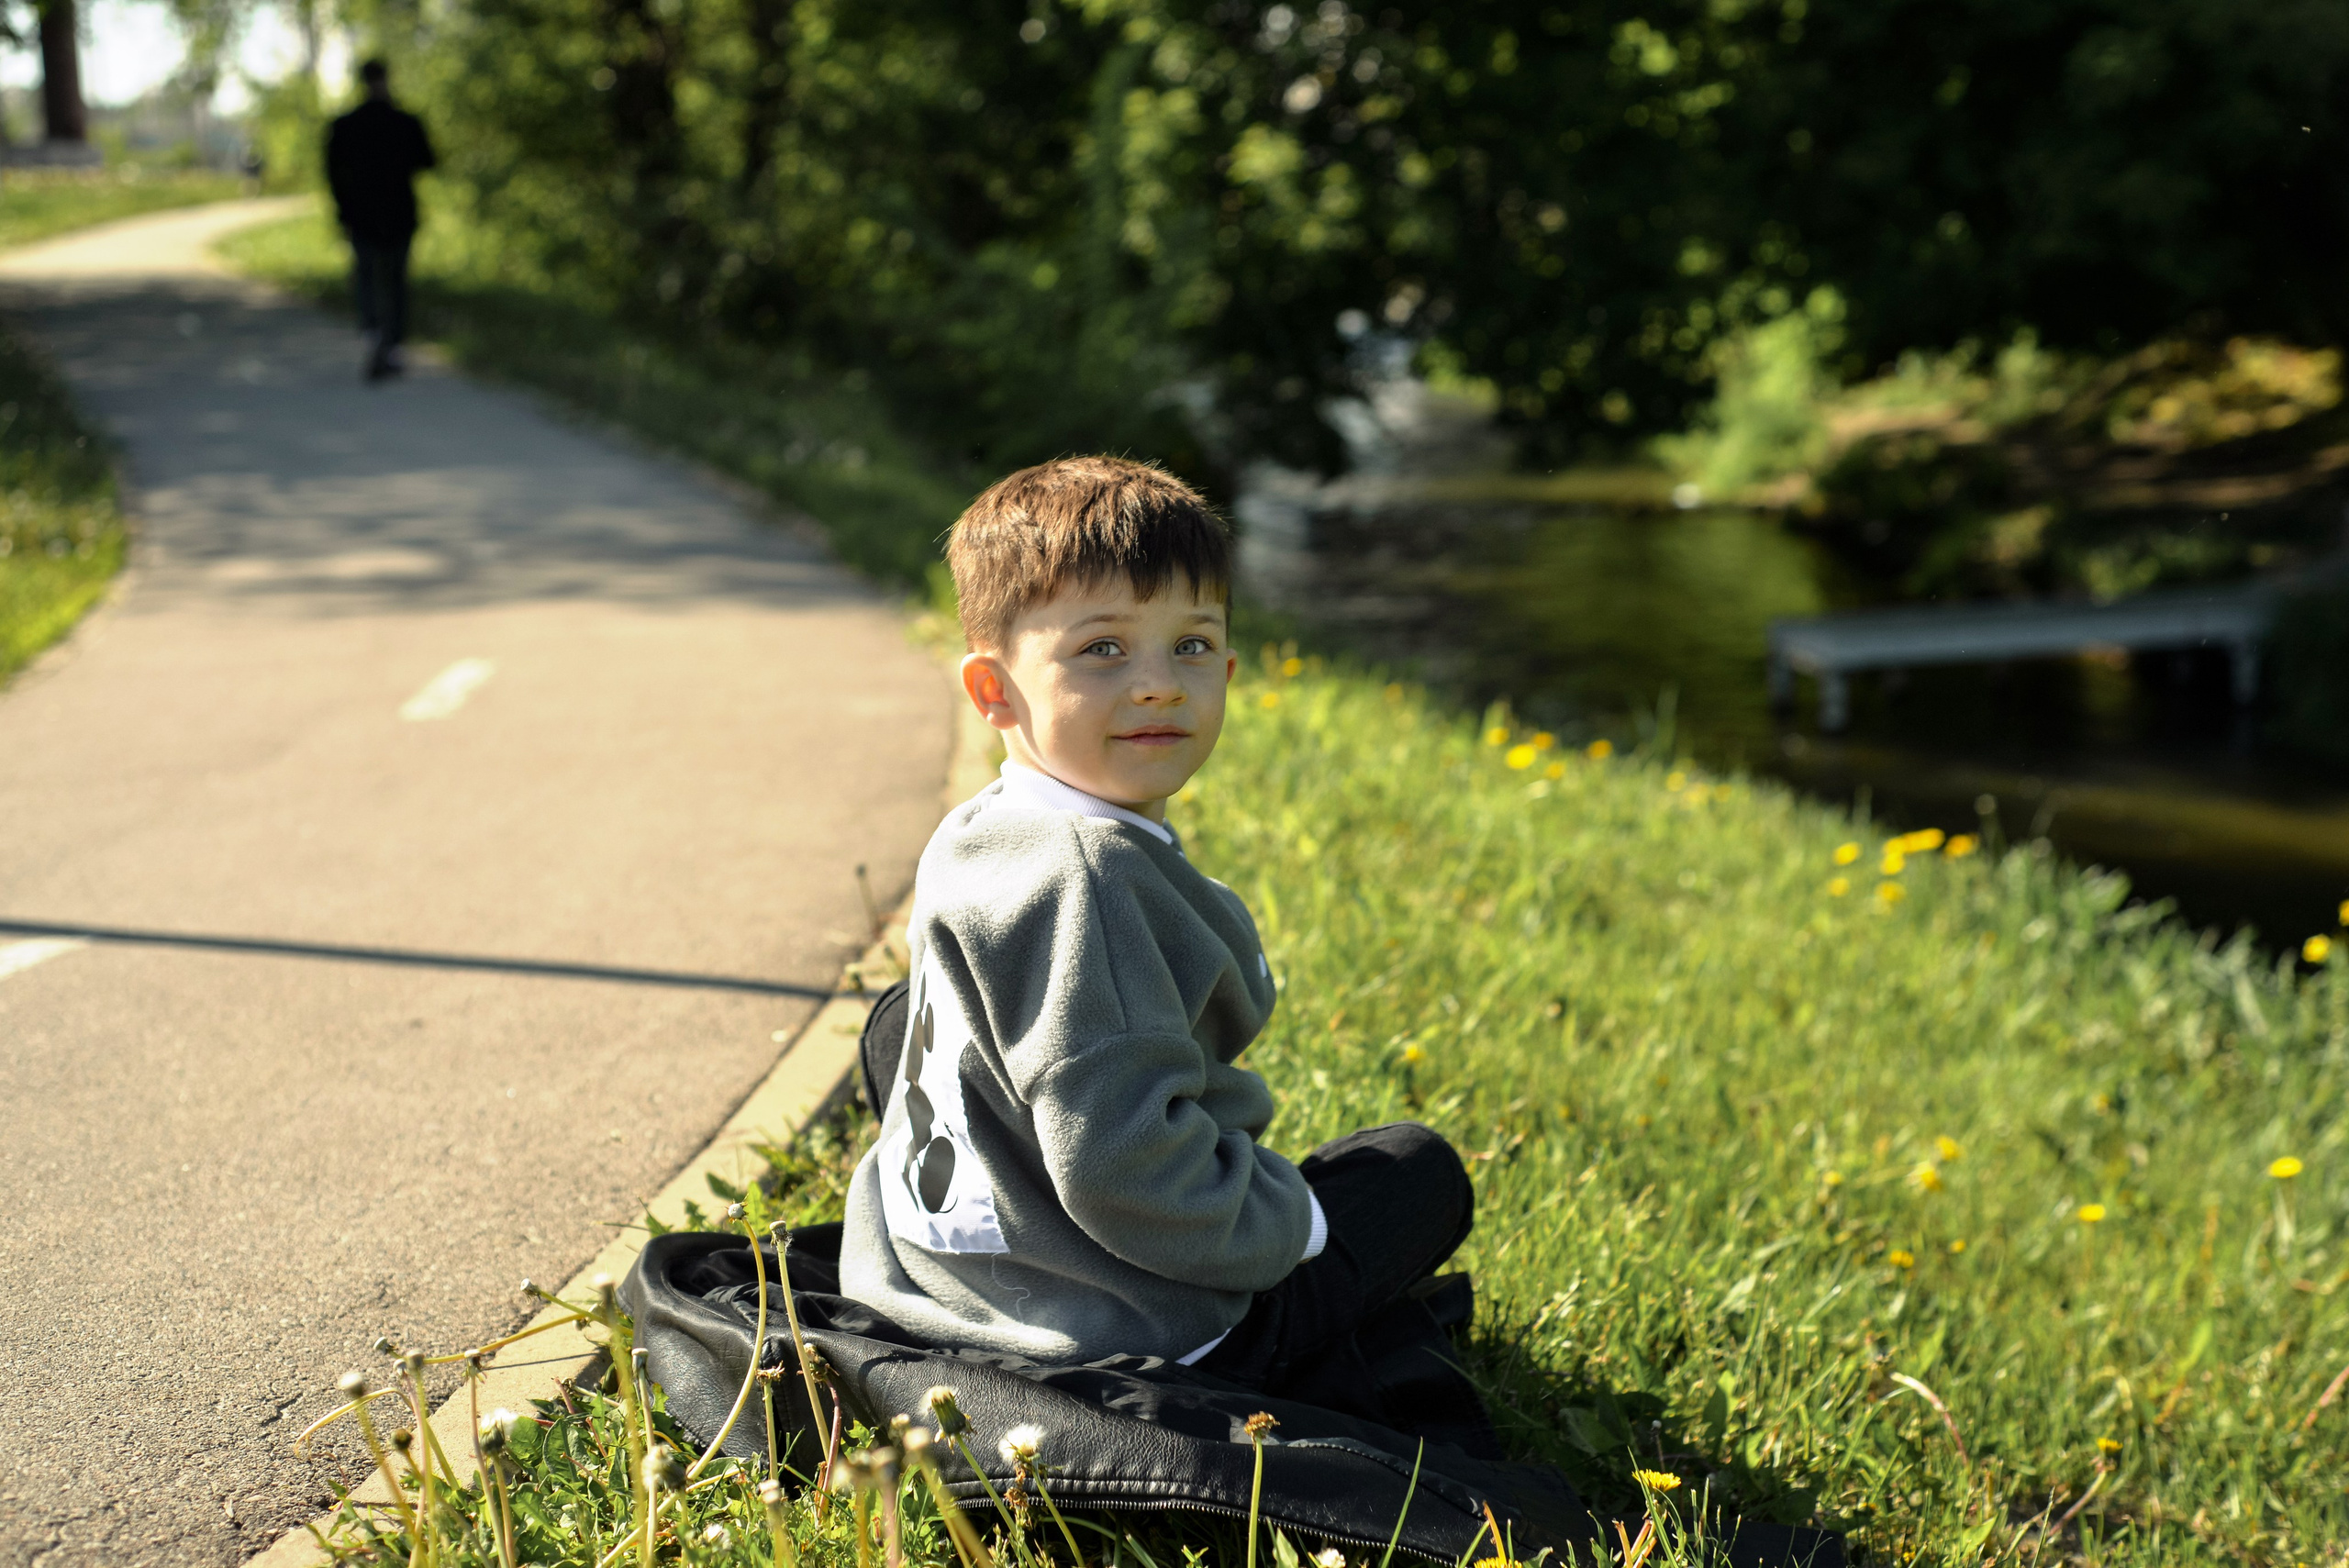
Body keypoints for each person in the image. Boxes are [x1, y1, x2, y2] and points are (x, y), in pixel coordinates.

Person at [841, 456, 1472, 1392]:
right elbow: (1121, 1172)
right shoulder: (1093, 880)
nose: (1157, 684)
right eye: (1103, 650)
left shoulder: (981, 828)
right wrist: (1287, 1223)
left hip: (937, 1275)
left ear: (1225, 666)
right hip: (1120, 1325)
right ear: (993, 690)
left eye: (1189, 646)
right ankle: (1271, 1297)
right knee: (1413, 1171)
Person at [325, 60, 435, 383]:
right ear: (387, 78)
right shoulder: (405, 122)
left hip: (362, 215)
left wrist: (343, 208)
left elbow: (332, 173)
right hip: (398, 213)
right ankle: (392, 344)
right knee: (395, 279)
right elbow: (427, 161)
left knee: (368, 277)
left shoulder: (346, 125)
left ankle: (375, 336)